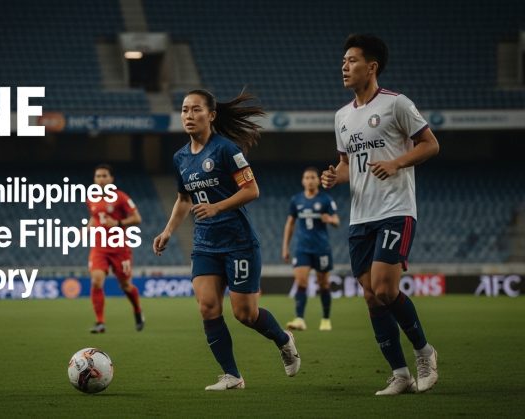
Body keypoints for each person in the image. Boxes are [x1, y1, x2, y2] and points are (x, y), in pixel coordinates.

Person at [153, 89, 300, 391]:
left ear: (211, 115)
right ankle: (232, 375)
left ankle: (284, 340)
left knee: (245, 314)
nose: (189, 116)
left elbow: (252, 190)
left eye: (196, 110)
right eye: (184, 110)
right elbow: (184, 199)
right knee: (207, 307)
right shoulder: (180, 157)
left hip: (238, 242)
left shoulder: (226, 149)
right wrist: (168, 231)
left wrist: (217, 207)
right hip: (205, 243)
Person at [322, 34, 440, 396]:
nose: (344, 66)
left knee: (386, 289)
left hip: (395, 210)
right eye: (343, 60)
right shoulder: (342, 116)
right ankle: (400, 374)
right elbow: (347, 167)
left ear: (371, 67)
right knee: (372, 296)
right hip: (360, 217)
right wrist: (333, 176)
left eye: (352, 60)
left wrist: (396, 162)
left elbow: (430, 144)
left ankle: (425, 354)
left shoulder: (396, 104)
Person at [87, 164, 144, 333]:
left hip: (119, 248)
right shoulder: (91, 198)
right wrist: (87, 228)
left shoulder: (121, 197)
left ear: (111, 179)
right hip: (99, 247)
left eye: (104, 176)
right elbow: (94, 217)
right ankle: (100, 322)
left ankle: (137, 311)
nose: (101, 179)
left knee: (126, 286)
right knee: (96, 281)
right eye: (98, 176)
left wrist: (118, 223)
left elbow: (137, 218)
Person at [282, 167, 339, 331]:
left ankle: (326, 319)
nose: (310, 180)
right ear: (303, 181)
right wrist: (285, 247)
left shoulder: (326, 199)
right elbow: (290, 223)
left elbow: (337, 221)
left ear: (318, 180)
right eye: (306, 177)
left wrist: (330, 220)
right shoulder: (296, 200)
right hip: (302, 248)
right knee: (301, 281)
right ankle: (300, 319)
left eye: (313, 177)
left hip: (321, 248)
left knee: (324, 284)